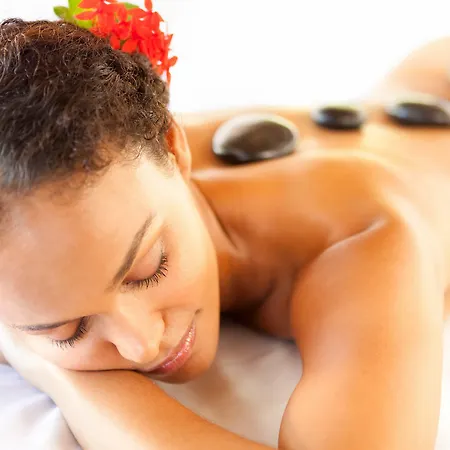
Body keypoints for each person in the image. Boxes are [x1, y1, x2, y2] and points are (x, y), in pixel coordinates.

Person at [0, 16, 448, 450]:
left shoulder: (366, 239)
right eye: (68, 329)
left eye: (148, 268)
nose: (143, 344)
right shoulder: (89, 175)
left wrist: (60, 374)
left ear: (173, 148)